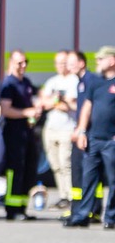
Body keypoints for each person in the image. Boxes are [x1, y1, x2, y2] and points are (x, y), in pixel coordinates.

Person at [63, 45, 115, 229]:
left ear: (112, 61)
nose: (97, 63)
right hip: (93, 139)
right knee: (88, 179)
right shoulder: (96, 82)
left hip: (111, 140)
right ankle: (82, 216)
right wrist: (82, 130)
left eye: (101, 59)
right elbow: (86, 107)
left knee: (113, 181)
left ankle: (111, 218)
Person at [0, 50, 42, 220]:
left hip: (26, 132)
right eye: (19, 63)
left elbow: (34, 101)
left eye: (25, 62)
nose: (23, 66)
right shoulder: (9, 84)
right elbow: (6, 110)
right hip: (13, 132)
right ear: (11, 63)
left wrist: (34, 112)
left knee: (28, 169)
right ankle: (12, 209)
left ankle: (22, 208)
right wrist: (27, 112)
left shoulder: (26, 83)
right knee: (15, 170)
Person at [39, 50, 79, 209]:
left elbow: (68, 105)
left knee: (65, 163)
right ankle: (63, 196)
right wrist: (57, 102)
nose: (60, 66)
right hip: (50, 129)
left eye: (63, 62)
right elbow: (44, 104)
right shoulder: (52, 81)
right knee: (55, 164)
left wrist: (55, 102)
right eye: (57, 62)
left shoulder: (74, 81)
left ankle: (71, 196)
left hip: (66, 129)